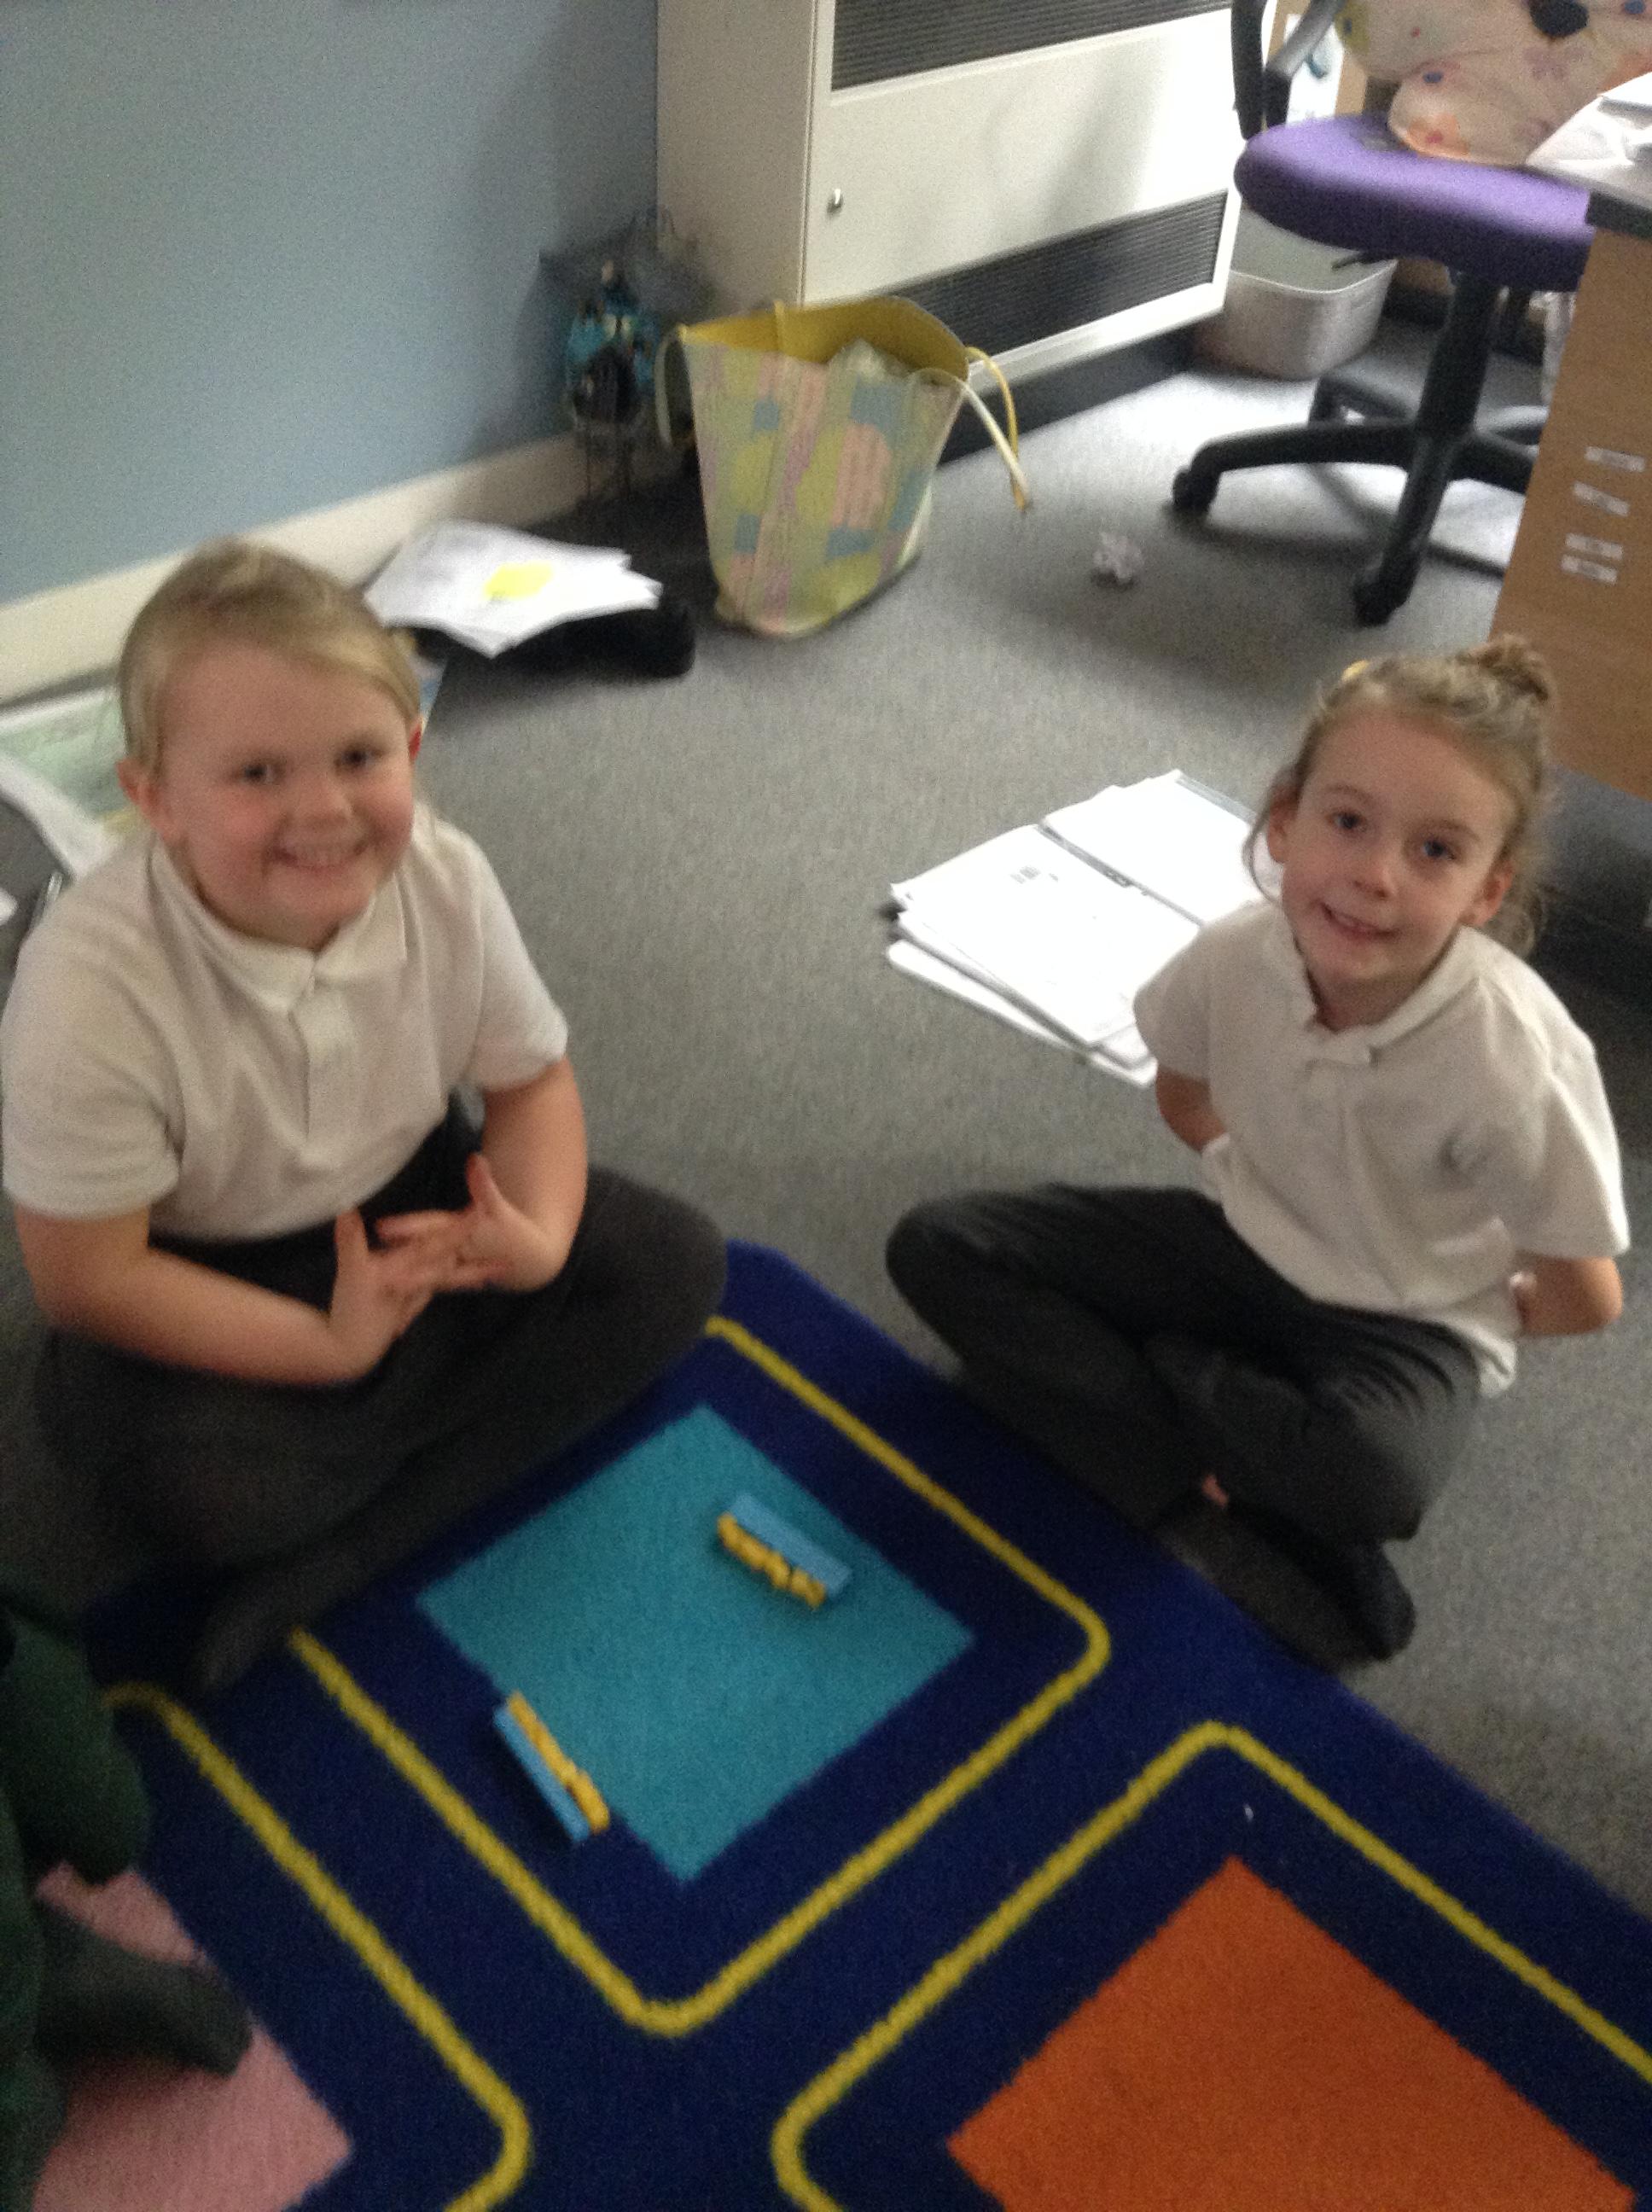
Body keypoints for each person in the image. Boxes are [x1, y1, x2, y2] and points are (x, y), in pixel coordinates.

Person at [0, 542, 725, 1694]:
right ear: (154, 800)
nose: (324, 810)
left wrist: (535, 1235)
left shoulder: (446, 877)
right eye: (257, 775)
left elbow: (531, 1084)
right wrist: (323, 1346)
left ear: (414, 749)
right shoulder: (86, 989)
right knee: (199, 1489)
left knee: (673, 1265)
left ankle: (351, 1547)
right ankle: (395, 1451)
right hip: (207, 1274)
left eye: (358, 757)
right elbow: (91, 1279)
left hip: (418, 1212)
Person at [887, 639, 1628, 1660]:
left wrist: (1456, 1309)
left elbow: (1585, 1296)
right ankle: (1234, 1471)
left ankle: (1176, 1416)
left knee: (1377, 1478)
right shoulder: (1233, 957)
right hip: (1235, 1245)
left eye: (1434, 851)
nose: (1373, 876)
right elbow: (1183, 1096)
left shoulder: (1514, 1056)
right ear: (1284, 823)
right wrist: (1270, 1190)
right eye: (1348, 823)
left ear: (1485, 893)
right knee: (938, 1246)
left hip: (1403, 1321)